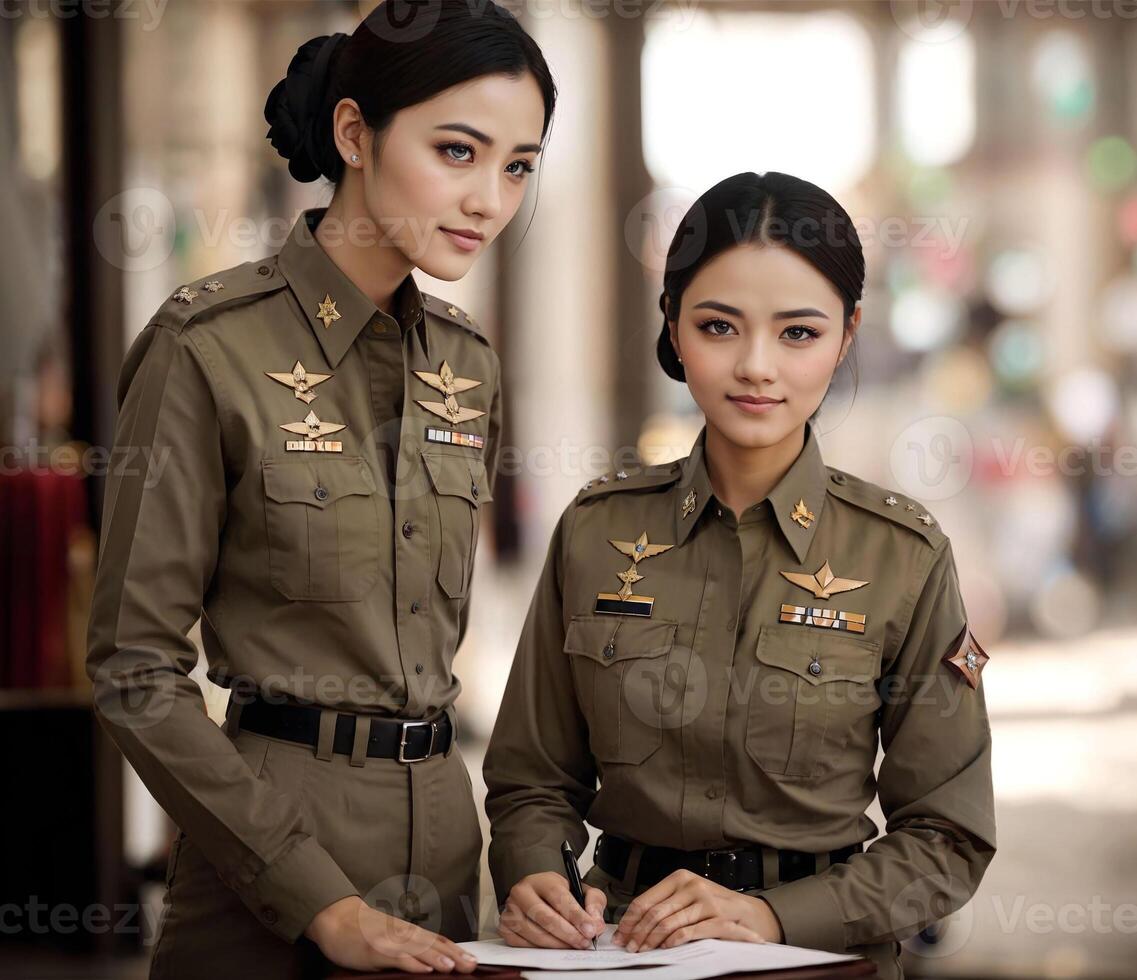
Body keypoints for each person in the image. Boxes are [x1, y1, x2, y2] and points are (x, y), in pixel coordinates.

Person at [85, 3, 556, 977]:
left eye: (518, 165)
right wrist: (318, 898)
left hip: (443, 860)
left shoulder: (469, 367)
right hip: (266, 864)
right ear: (354, 133)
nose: (489, 199)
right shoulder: (207, 347)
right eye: (458, 151)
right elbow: (135, 667)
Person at [482, 171, 996, 980]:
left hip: (822, 960)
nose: (756, 366)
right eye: (719, 326)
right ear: (674, 327)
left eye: (797, 333)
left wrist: (767, 916)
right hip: (617, 955)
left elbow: (946, 840)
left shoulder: (902, 557)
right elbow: (531, 779)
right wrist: (534, 876)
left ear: (847, 332)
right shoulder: (596, 532)